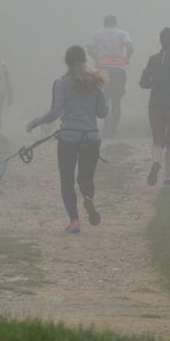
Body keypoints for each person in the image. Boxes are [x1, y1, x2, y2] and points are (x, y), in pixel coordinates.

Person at [27, 46, 109, 233]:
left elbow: (55, 113)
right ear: (84, 60)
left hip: (69, 137)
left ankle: (74, 222)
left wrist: (36, 122)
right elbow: (102, 112)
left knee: (67, 181)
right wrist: (108, 103)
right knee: (86, 177)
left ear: (66, 62)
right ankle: (88, 198)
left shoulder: (61, 83)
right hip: (92, 136)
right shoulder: (95, 82)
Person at [139, 26, 170, 187]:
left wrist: (154, 82)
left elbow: (143, 82)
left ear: (160, 41)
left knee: (158, 140)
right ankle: (167, 178)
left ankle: (155, 162)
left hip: (155, 105)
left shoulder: (152, 59)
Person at [87, 14, 133, 140]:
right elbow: (130, 46)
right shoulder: (122, 33)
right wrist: (127, 59)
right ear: (115, 23)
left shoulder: (97, 33)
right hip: (118, 68)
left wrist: (96, 58)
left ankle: (106, 127)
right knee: (117, 101)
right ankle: (113, 130)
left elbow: (89, 48)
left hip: (102, 68)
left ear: (104, 23)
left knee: (104, 98)